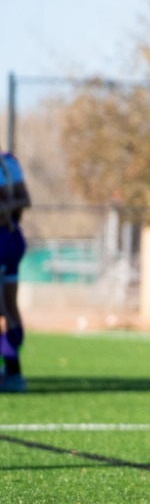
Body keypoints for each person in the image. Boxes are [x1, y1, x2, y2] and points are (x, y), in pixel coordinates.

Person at [1, 144, 32, 391]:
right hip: (12, 237)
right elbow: (22, 200)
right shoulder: (9, 161)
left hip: (3, 238)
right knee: (9, 307)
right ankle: (12, 368)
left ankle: (13, 370)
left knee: (3, 310)